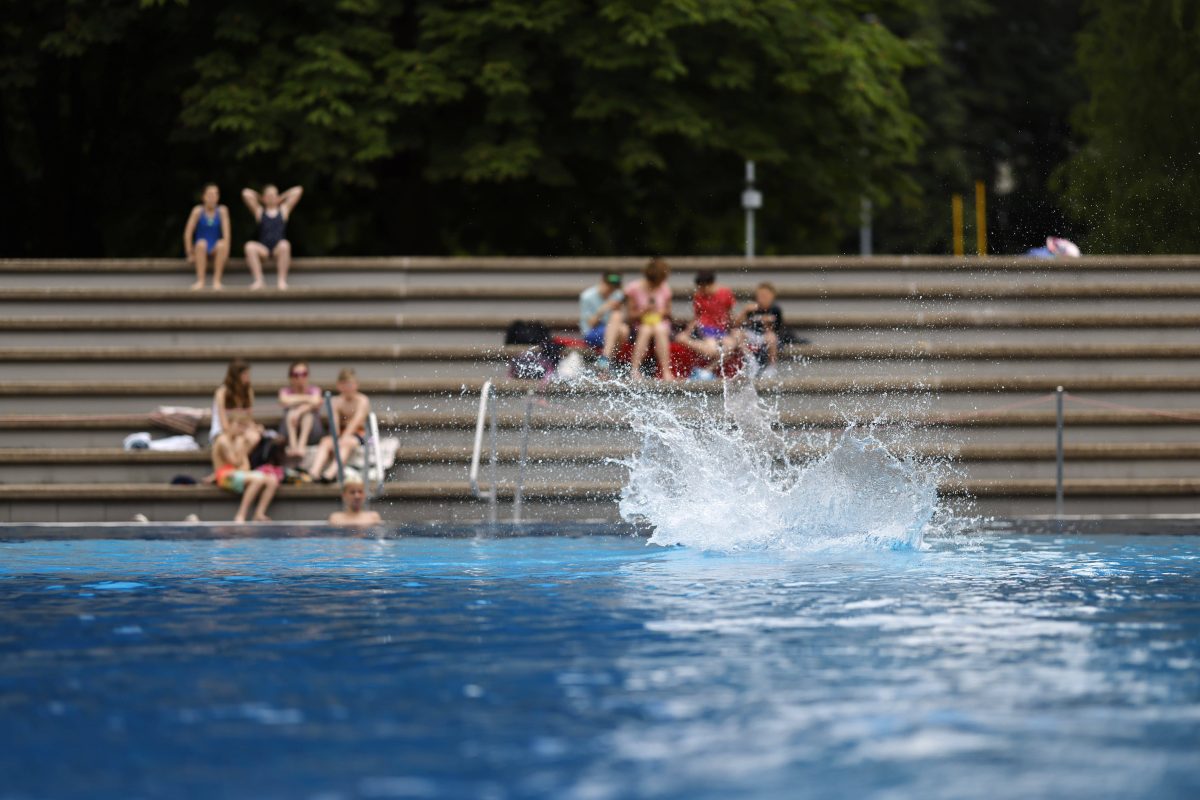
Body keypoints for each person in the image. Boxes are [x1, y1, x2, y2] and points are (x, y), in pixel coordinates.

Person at [602, 257, 676, 381]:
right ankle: (635, 369)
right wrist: (644, 311)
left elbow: (668, 313)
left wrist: (660, 312)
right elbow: (630, 316)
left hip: (660, 325)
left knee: (659, 329)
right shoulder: (634, 288)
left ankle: (666, 371)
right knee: (646, 329)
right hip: (640, 326)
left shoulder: (665, 288)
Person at [306, 368, 371, 483]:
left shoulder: (362, 400)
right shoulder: (336, 401)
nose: (348, 388)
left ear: (356, 385)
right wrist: (335, 438)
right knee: (326, 441)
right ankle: (314, 472)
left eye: (350, 385)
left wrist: (342, 439)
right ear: (339, 386)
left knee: (347, 442)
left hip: (358, 434)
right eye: (345, 385)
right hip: (341, 433)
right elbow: (334, 423)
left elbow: (356, 422)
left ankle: (331, 473)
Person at [211, 415, 280, 522]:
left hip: (237, 473)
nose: (241, 430)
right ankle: (241, 515)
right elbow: (235, 462)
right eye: (239, 425)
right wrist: (248, 445)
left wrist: (247, 443)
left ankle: (259, 514)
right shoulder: (223, 441)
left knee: (272, 480)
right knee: (258, 479)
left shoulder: (238, 440)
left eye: (244, 427)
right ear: (229, 425)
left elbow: (245, 467)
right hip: (224, 476)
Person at [241, 183, 304, 290]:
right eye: (269, 196)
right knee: (249, 246)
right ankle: (259, 280)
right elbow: (246, 193)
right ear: (265, 198)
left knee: (285, 244)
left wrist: (282, 197)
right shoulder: (260, 212)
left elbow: (298, 190)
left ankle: (282, 281)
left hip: (277, 249)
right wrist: (260, 198)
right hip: (264, 249)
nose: (271, 198)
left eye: (274, 195)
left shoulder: (283, 211)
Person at [674, 270, 736, 369]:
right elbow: (697, 317)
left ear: (711, 284)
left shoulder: (725, 293)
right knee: (711, 350)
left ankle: (708, 370)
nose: (701, 290)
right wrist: (687, 332)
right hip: (705, 328)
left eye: (702, 288)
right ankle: (685, 340)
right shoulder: (699, 296)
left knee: (730, 346)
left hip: (721, 329)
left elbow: (729, 314)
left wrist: (733, 329)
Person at [182, 183, 232, 290]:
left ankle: (217, 281)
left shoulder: (222, 211)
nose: (212, 198)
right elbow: (188, 233)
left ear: (218, 197)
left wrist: (226, 252)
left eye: (215, 195)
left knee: (221, 244)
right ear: (203, 197)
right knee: (201, 243)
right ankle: (201, 281)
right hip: (201, 248)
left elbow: (227, 234)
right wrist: (189, 252)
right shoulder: (197, 211)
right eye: (209, 195)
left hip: (215, 248)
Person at [733, 281, 785, 378]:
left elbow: (775, 329)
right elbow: (736, 324)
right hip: (752, 335)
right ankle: (750, 360)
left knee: (772, 337)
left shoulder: (775, 309)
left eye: (765, 296)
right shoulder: (752, 309)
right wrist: (744, 311)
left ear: (772, 297)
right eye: (760, 296)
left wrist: (766, 322)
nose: (762, 298)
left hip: (765, 336)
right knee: (736, 333)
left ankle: (771, 366)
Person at [211, 358, 261, 453]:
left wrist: (255, 427)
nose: (248, 377)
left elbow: (249, 418)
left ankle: (238, 463)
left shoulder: (248, 391)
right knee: (238, 440)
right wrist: (236, 431)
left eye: (248, 374)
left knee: (254, 436)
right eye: (245, 374)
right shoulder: (222, 392)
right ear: (236, 375)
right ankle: (238, 464)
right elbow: (223, 424)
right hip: (222, 430)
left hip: (241, 428)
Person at [278, 361, 324, 457]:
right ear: (290, 377)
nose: (300, 378)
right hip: (288, 432)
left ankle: (300, 446)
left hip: (312, 433)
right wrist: (308, 400)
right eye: (296, 375)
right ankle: (293, 446)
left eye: (304, 374)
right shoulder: (284, 390)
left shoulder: (315, 389)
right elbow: (284, 400)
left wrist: (298, 411)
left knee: (307, 416)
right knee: (291, 413)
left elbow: (316, 401)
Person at [579, 271, 624, 349]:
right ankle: (607, 357)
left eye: (614, 287)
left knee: (623, 328)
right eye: (609, 286)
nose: (611, 289)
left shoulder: (617, 295)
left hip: (612, 329)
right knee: (621, 328)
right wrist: (603, 309)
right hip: (592, 332)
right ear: (602, 282)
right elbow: (590, 324)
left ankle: (607, 358)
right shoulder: (587, 296)